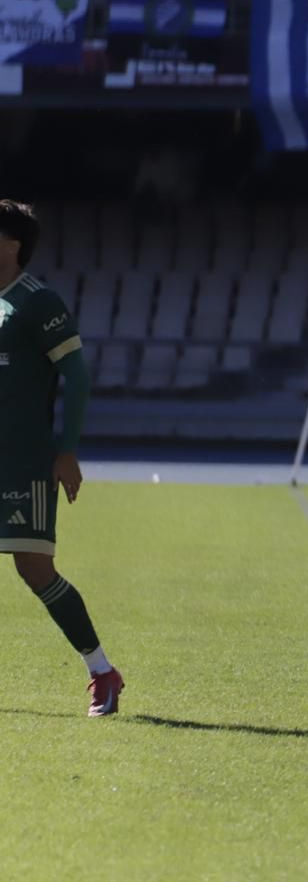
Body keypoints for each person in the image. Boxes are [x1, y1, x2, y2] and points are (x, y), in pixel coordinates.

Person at [0, 201, 119, 717]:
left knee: (34, 568)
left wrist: (66, 449)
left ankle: (102, 671)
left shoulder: (36, 301)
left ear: (11, 243)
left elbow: (78, 374)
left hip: (24, 461)